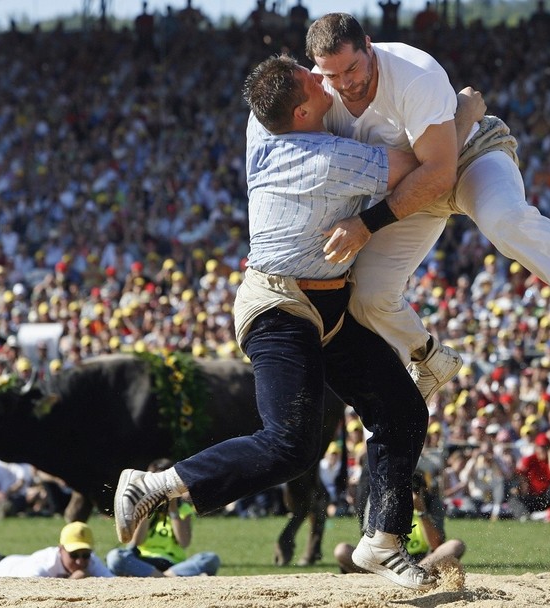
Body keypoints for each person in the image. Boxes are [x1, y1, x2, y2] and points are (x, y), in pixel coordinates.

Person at [113, 54, 484, 591]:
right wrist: (464, 114)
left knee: (401, 407)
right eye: (315, 78)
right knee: (289, 446)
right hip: (279, 308)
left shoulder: (261, 125)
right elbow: (426, 166)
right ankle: (154, 485)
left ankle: (382, 542)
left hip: (322, 307)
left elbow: (282, 87)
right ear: (306, 109)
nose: (322, 73)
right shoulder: (328, 158)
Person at [303, 13, 550, 404]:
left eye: (352, 68)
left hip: (470, 157)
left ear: (368, 46)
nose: (345, 83)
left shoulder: (412, 71)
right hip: (410, 188)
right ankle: (429, 358)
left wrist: (367, 224)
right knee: (368, 295)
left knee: (504, 219)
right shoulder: (319, 95)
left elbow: (439, 174)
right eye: (332, 75)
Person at [334, 470, 465, 574]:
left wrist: (421, 511)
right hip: (386, 562)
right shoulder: (382, 498)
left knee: (456, 545)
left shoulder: (431, 501)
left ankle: (416, 573)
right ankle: (394, 574)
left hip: (423, 560)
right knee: (342, 550)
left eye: (414, 489)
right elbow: (370, 540)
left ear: (423, 490)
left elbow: (436, 544)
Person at [107, 458, 221, 577]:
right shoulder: (145, 508)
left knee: (210, 558)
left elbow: (184, 542)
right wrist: (146, 508)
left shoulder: (183, 510)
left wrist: (173, 509)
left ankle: (160, 576)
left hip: (173, 564)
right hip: (143, 561)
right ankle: (165, 577)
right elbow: (136, 542)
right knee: (115, 556)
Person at [0, 521, 114, 578]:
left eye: (85, 554)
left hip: (19, 558)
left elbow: (113, 582)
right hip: (5, 570)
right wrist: (74, 581)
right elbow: (31, 590)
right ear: (61, 549)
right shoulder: (43, 566)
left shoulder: (92, 560)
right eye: (74, 554)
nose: (80, 561)